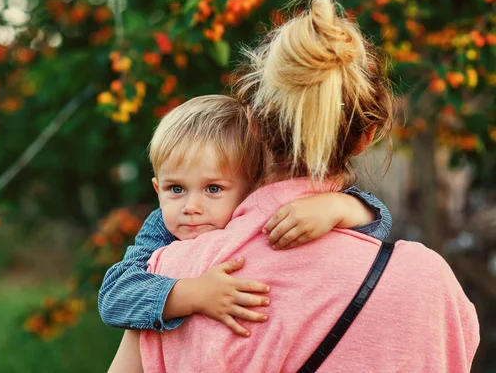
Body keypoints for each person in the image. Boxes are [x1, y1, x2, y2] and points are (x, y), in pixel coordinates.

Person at [139, 0, 480, 372]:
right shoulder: (428, 283)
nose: (192, 204)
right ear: (367, 137)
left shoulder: (170, 272)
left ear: (252, 123)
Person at [105, 94, 392, 372]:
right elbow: (114, 296)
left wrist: (336, 206)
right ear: (158, 189)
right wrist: (194, 294)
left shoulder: (261, 218)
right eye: (176, 189)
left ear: (252, 189)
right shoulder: (162, 227)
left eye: (213, 189)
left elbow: (378, 228)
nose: (191, 207)